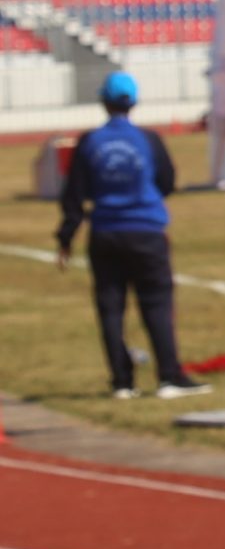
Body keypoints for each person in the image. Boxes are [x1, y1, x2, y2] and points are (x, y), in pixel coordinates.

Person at [54, 72, 210, 400]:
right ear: (134, 102)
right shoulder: (148, 140)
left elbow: (74, 194)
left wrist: (66, 236)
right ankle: (169, 376)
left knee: (111, 308)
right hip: (146, 230)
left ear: (103, 101)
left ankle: (122, 381)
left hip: (106, 232)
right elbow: (167, 180)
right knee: (156, 302)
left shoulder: (90, 141)